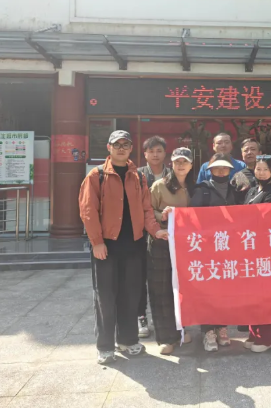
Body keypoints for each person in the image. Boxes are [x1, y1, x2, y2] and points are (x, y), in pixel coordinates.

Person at [79, 130, 168, 365]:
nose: (121, 148)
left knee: (131, 295)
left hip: (134, 245)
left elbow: (147, 209)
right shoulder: (97, 175)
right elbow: (88, 211)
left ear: (131, 149)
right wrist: (97, 242)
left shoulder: (137, 176)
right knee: (105, 297)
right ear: (109, 148)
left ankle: (127, 340)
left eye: (125, 144)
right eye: (116, 144)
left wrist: (155, 230)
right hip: (107, 246)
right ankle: (105, 346)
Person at [190, 153, 240, 351]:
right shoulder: (201, 191)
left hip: (228, 249)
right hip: (207, 250)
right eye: (217, 168)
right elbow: (192, 218)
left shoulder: (236, 190)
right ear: (209, 170)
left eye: (224, 167)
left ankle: (222, 327)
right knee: (207, 291)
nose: (221, 171)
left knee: (226, 291)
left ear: (230, 170)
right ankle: (208, 330)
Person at [147, 147, 194, 355]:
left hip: (187, 245)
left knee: (183, 289)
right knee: (162, 289)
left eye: (185, 162)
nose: (181, 165)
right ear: (171, 164)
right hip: (162, 242)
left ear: (191, 165)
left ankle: (180, 330)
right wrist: (163, 216)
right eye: (177, 162)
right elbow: (147, 210)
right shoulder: (160, 186)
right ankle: (166, 337)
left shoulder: (195, 187)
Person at [241, 155, 271, 352]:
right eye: (258, 169)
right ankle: (254, 333)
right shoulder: (252, 190)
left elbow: (266, 218)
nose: (260, 173)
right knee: (253, 293)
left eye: (265, 169)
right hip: (251, 247)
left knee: (267, 294)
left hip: (269, 248)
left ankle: (267, 337)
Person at [136, 136, 172, 339]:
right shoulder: (137, 174)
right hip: (141, 233)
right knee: (140, 277)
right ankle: (141, 316)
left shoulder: (172, 174)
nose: (155, 155)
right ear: (145, 154)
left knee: (164, 279)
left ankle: (166, 319)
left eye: (159, 150)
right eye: (151, 151)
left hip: (166, 234)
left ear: (165, 153)